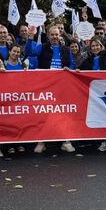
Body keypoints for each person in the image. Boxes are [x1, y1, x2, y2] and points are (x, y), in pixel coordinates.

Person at [24, 25, 76, 154]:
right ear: (48, 36)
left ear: (60, 35)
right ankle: (42, 141)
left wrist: (69, 69)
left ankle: (66, 141)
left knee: (63, 113)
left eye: (56, 34)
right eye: (52, 35)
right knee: (44, 114)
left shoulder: (66, 49)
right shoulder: (42, 47)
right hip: (46, 86)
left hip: (61, 86)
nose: (54, 37)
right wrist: (30, 38)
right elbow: (29, 52)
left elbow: (72, 64)